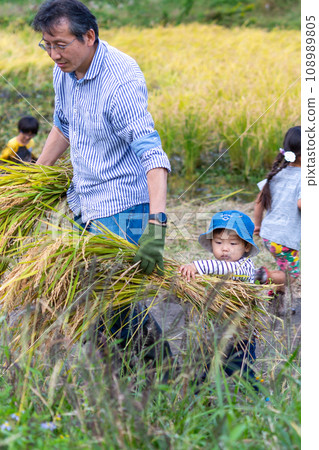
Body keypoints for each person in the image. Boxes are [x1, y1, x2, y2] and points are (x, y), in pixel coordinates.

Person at [32, 0, 172, 360]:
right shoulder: (63, 70)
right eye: (46, 45)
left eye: (60, 45)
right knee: (94, 299)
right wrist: (34, 180)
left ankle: (164, 377)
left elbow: (151, 153)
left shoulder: (120, 80)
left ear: (89, 36)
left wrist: (157, 225)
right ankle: (122, 378)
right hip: (85, 199)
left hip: (124, 203)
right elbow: (64, 125)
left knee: (113, 303)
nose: (53, 55)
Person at [179, 210, 260, 386]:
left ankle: (261, 402)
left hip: (241, 337)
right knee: (207, 370)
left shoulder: (245, 267)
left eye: (232, 243)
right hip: (216, 333)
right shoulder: (214, 269)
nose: (225, 248)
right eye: (218, 242)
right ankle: (199, 397)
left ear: (246, 246)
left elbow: (222, 268)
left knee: (243, 374)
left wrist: (196, 266)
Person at [253, 126, 301, 315]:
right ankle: (262, 276)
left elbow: (259, 201)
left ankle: (276, 306)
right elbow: (300, 204)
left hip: (269, 235)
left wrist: (257, 224)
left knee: (283, 269)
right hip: (284, 238)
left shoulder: (277, 174)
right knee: (291, 275)